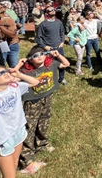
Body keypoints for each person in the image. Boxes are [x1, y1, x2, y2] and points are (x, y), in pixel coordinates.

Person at [0, 66, 40, 178]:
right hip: (3, 139)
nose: (5, 73)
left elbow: (35, 82)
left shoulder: (14, 87)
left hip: (18, 131)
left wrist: (19, 75)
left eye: (5, 71)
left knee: (15, 163)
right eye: (0, 73)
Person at [16, 46, 69, 174]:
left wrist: (57, 55)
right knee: (29, 127)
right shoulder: (25, 72)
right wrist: (18, 65)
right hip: (32, 103)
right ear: (30, 60)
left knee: (43, 122)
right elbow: (13, 77)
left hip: (47, 98)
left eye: (41, 53)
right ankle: (26, 157)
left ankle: (42, 144)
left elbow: (66, 64)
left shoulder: (51, 65)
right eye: (35, 56)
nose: (39, 56)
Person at [35, 7, 66, 84]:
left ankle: (62, 78)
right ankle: (51, 80)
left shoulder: (59, 22)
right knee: (49, 65)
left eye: (54, 9)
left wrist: (62, 42)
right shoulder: (43, 24)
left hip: (59, 48)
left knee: (62, 63)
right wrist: (45, 46)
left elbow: (62, 33)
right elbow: (38, 38)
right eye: (50, 10)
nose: (53, 11)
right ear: (46, 14)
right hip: (49, 49)